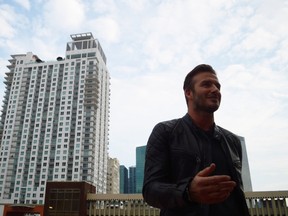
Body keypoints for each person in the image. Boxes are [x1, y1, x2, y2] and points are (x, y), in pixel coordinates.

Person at [142, 64, 250, 216]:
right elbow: (150, 190)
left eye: (217, 86)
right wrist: (188, 191)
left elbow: (238, 194)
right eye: (206, 84)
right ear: (188, 93)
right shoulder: (165, 132)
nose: (215, 90)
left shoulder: (233, 141)